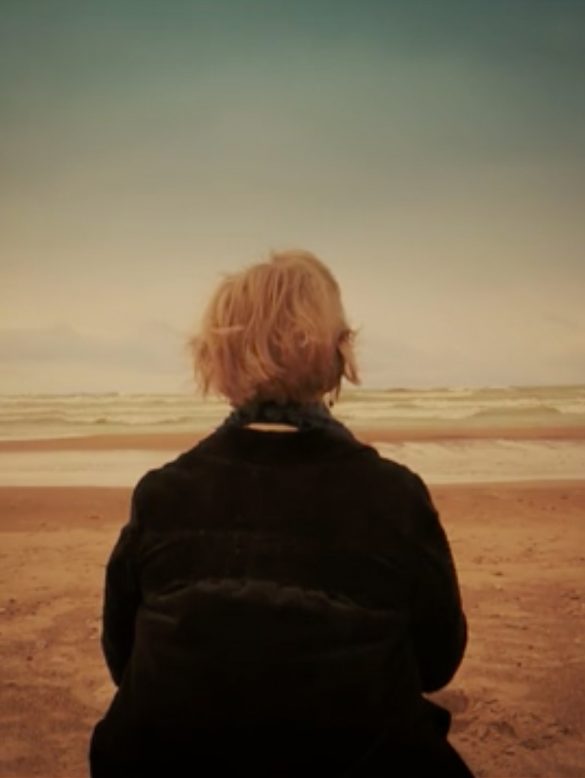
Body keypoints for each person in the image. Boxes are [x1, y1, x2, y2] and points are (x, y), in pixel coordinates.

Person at [90, 250, 474, 777]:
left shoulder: (163, 494)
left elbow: (123, 660)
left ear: (215, 359)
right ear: (338, 354)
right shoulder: (394, 496)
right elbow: (436, 662)